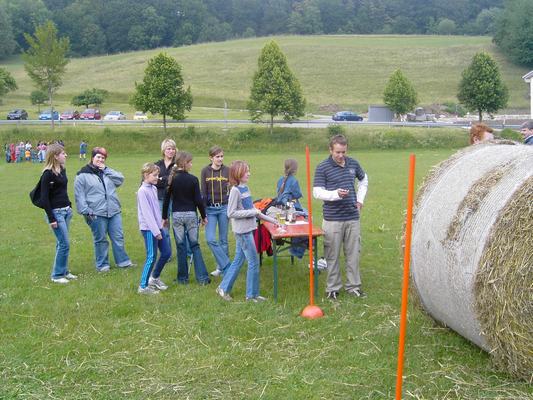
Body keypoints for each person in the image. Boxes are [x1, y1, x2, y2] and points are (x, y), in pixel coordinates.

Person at [313, 134, 369, 300]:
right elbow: (317, 192)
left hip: (352, 217)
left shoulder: (353, 163)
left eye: (343, 151)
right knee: (332, 255)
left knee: (353, 254)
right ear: (330, 150)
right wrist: (335, 194)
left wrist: (360, 200)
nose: (340, 155)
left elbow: (364, 180)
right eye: (337, 152)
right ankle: (333, 288)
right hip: (332, 219)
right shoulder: (322, 167)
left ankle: (353, 286)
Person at [216, 160, 278, 302]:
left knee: (238, 260)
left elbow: (254, 211)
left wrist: (273, 221)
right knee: (254, 262)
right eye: (246, 171)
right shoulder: (235, 191)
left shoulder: (245, 188)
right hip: (242, 232)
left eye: (248, 170)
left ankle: (223, 288)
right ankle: (251, 296)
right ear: (238, 173)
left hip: (249, 229)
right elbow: (231, 213)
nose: (249, 173)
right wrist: (250, 212)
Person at [74, 147, 134, 272]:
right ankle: (102, 265)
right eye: (98, 157)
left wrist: (106, 170)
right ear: (92, 158)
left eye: (103, 158)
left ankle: (123, 262)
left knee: (118, 237)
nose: (100, 160)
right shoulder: (82, 175)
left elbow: (120, 179)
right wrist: (86, 211)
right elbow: (79, 196)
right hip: (96, 213)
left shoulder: (107, 172)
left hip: (113, 211)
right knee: (100, 240)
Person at [163, 151, 210, 285]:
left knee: (181, 247)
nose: (191, 164)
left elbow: (166, 200)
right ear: (184, 163)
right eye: (190, 162)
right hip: (190, 215)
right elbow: (198, 200)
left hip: (177, 216)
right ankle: (202, 278)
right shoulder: (193, 179)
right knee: (195, 245)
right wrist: (204, 216)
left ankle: (182, 279)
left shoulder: (171, 179)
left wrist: (164, 217)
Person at [40, 143, 77, 284]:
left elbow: (62, 191)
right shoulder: (47, 174)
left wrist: (69, 206)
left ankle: (64, 271)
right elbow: (44, 199)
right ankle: (56, 275)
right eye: (63, 153)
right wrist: (51, 218)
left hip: (66, 211)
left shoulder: (62, 169)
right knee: (64, 243)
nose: (65, 155)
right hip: (56, 214)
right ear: (55, 156)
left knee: (61, 243)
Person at [137, 163, 171, 294]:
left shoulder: (153, 188)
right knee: (151, 256)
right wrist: (156, 232)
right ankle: (143, 286)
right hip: (149, 229)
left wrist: (161, 223)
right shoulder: (142, 191)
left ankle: (154, 278)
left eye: (158, 175)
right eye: (155, 175)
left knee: (166, 252)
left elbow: (155, 210)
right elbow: (147, 214)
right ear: (146, 175)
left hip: (157, 227)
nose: (158, 178)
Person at [201, 146, 231, 277]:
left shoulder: (227, 171)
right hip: (210, 209)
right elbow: (203, 192)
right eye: (217, 156)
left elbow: (233, 188)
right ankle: (226, 265)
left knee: (223, 240)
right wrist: (203, 213)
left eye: (222, 156)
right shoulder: (205, 171)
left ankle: (222, 269)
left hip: (224, 208)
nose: (220, 159)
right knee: (210, 239)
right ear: (211, 158)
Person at [154, 139, 177, 260]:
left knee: (178, 225)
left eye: (173, 148)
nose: (171, 151)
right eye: (168, 148)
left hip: (176, 198)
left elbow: (176, 181)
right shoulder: (157, 165)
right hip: (161, 198)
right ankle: (167, 253)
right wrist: (166, 180)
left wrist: (161, 179)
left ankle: (187, 251)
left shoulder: (178, 164)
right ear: (163, 150)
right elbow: (152, 181)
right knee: (163, 226)